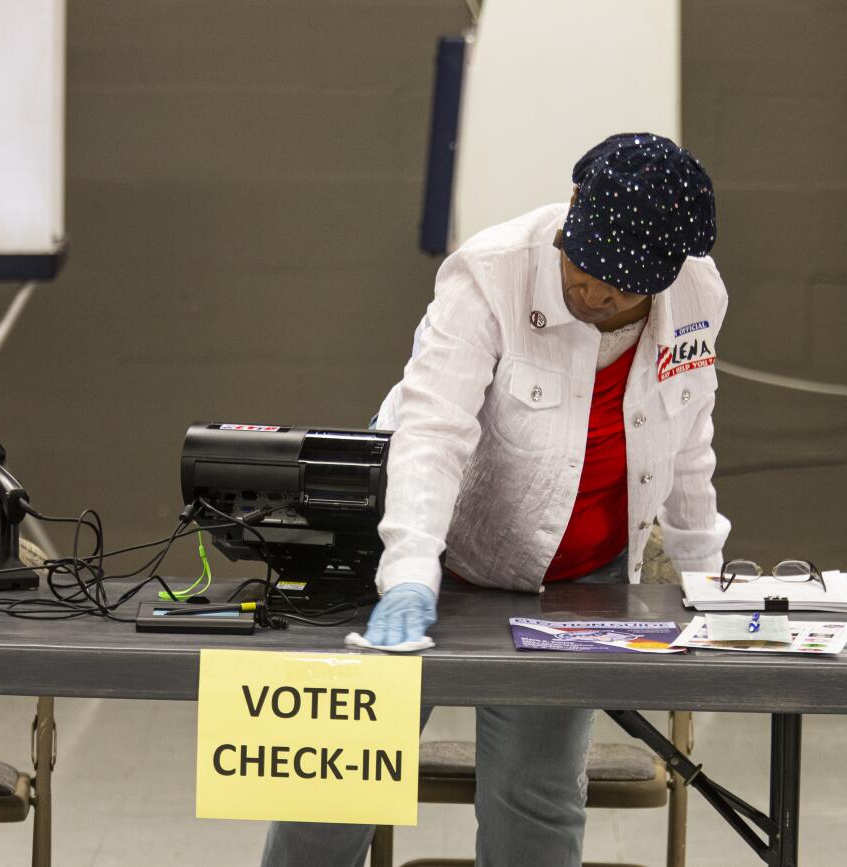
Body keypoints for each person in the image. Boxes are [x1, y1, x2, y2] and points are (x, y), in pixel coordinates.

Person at [262, 132, 730, 867]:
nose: (598, 293)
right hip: (428, 556)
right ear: (573, 207)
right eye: (586, 268)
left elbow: (690, 442)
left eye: (625, 286)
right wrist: (411, 570)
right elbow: (431, 429)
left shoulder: (699, 300)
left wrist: (708, 582)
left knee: (535, 807)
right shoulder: (491, 273)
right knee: (333, 783)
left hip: (572, 589)